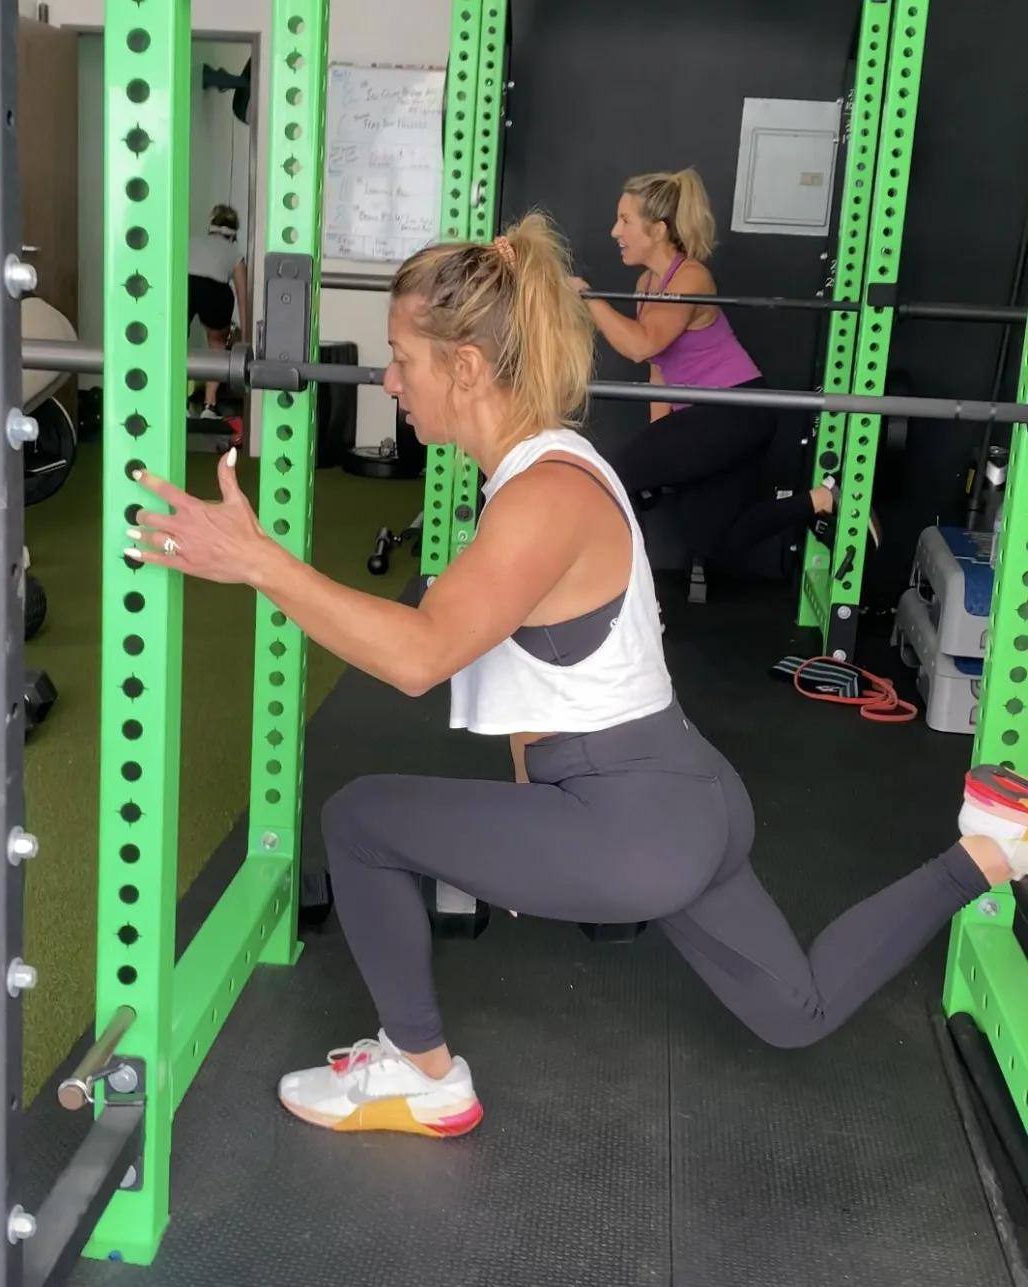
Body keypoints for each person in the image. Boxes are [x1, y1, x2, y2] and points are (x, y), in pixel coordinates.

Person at [124, 213, 1025, 1140]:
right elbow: (542, 673)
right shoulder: (554, 463)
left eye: (403, 358)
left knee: (358, 820)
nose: (389, 380)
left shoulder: (541, 497)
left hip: (630, 820)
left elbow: (419, 655)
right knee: (796, 1013)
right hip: (688, 797)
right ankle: (991, 848)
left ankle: (420, 1069)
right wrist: (526, 820)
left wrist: (259, 560)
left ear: (466, 368)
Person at [570, 168, 876, 564]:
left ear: (658, 230)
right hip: (707, 418)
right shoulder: (648, 284)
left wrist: (588, 298)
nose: (615, 231)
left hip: (737, 411)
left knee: (619, 472)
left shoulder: (692, 278)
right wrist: (660, 441)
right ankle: (821, 501)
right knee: (711, 542)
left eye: (625, 221)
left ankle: (631, 600)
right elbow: (658, 369)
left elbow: (641, 346)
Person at [187, 203, 249, 424]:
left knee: (176, 347)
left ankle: (178, 403)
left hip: (186, 286)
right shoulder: (235, 253)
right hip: (215, 292)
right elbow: (243, 298)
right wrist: (245, 335)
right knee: (216, 346)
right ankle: (209, 406)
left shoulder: (191, 242)